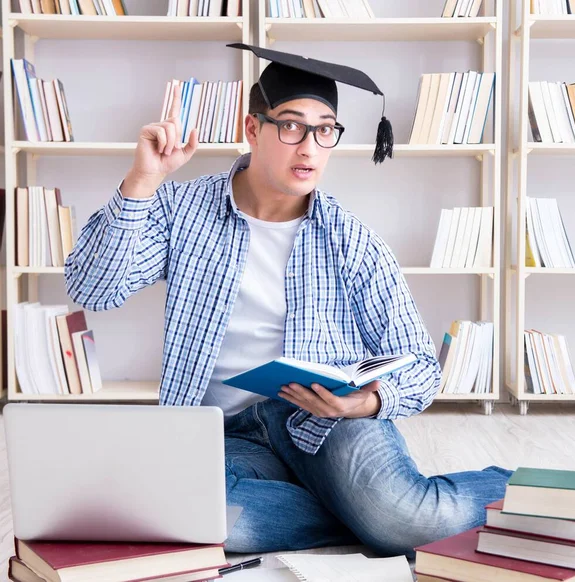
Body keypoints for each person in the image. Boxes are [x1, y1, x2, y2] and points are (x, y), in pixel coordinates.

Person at [65, 43, 511, 558]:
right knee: (206, 517)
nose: (310, 147)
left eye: (325, 130)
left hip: (324, 421)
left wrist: (364, 402)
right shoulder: (180, 209)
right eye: (292, 126)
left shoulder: (351, 240)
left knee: (407, 518)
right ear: (253, 129)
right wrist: (143, 181)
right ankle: (360, 519)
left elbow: (420, 366)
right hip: (219, 433)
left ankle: (505, 486)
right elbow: (93, 287)